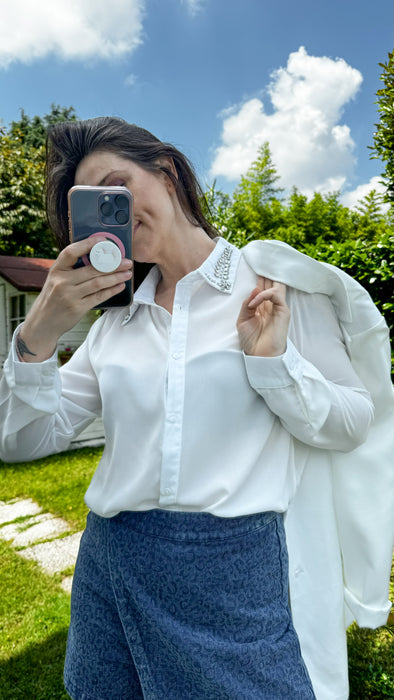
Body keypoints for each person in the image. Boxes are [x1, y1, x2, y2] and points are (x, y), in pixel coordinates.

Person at [0, 117, 392, 700]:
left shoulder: (275, 289)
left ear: (169, 173)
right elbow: (21, 442)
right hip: (110, 561)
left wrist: (274, 364)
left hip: (233, 569)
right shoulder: (114, 325)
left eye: (118, 187)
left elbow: (352, 423)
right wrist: (37, 336)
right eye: (94, 205)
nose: (115, 213)